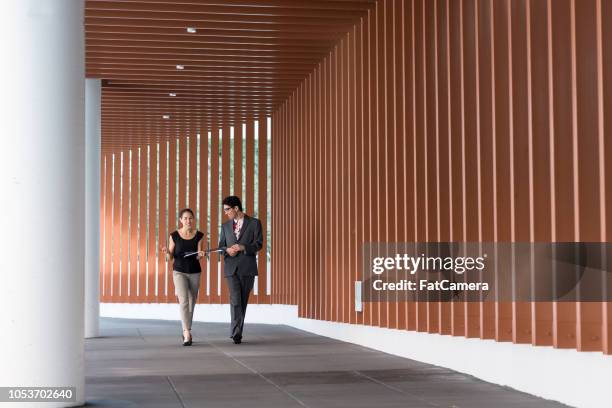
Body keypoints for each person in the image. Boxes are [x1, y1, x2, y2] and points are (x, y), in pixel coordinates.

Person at [219, 196, 263, 344]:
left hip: (247, 267)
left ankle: (237, 331)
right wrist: (227, 251)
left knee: (242, 300)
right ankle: (236, 332)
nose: (225, 213)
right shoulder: (225, 226)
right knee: (235, 298)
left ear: (236, 208)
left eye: (227, 210)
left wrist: (243, 247)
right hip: (231, 267)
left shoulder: (255, 223)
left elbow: (258, 244)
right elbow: (221, 247)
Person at [161, 208, 205, 346]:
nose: (188, 220)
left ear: (194, 219)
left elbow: (198, 256)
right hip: (179, 271)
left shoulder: (200, 235)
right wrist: (166, 252)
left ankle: (187, 329)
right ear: (180, 220)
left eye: (190, 218)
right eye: (185, 218)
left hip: (195, 271)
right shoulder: (174, 235)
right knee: (184, 300)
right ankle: (186, 332)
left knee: (192, 301)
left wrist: (201, 255)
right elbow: (170, 257)